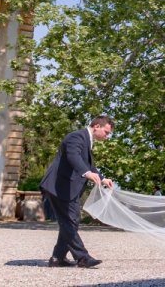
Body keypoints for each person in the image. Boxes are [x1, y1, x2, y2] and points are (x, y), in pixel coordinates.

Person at [40, 115, 115, 268]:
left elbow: (87, 164)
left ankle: (57, 258)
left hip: (68, 189)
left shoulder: (86, 140)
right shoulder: (75, 137)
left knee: (71, 222)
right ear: (96, 127)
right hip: (58, 186)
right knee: (70, 221)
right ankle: (82, 257)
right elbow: (73, 157)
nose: (107, 137)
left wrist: (102, 178)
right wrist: (86, 173)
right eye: (107, 132)